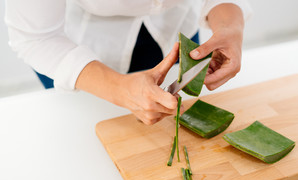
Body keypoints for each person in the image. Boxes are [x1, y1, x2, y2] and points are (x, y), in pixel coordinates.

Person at [5, 0, 252, 125]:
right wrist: (119, 88)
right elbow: (35, 38)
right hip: (76, 57)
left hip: (177, 32)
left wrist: (230, 24)